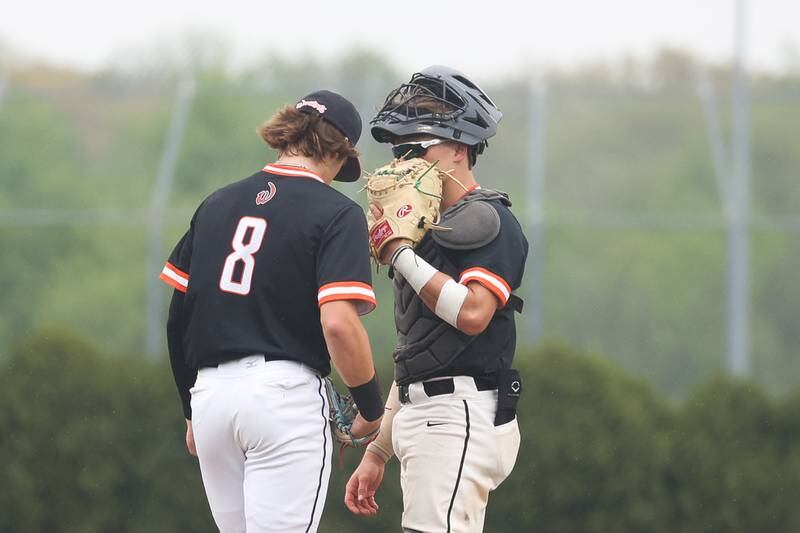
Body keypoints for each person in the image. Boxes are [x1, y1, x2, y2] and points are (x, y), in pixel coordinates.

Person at [159, 89, 384, 533]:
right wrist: (371, 408)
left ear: (289, 134)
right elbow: (338, 323)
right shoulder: (337, 213)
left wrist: (190, 408)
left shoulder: (217, 204)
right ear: (338, 152)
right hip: (283, 399)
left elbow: (177, 319)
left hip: (210, 400)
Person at [345, 66, 529, 532]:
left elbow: (472, 314)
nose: (405, 161)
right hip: (427, 412)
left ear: (461, 149)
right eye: (399, 150)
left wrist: (398, 253)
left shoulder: (488, 219)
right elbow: (420, 353)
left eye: (419, 147)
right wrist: (379, 450)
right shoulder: (423, 234)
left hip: (459, 413)